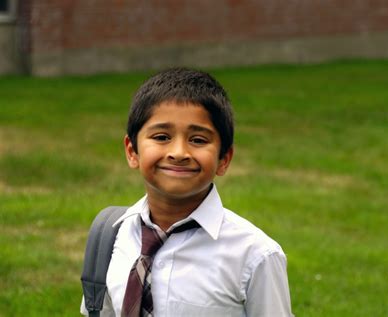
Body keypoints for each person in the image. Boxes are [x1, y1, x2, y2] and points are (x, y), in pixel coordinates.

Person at [80, 68, 293, 316]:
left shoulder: (255, 256)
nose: (179, 152)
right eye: (161, 137)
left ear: (224, 158)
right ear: (132, 151)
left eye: (198, 140)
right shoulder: (110, 236)